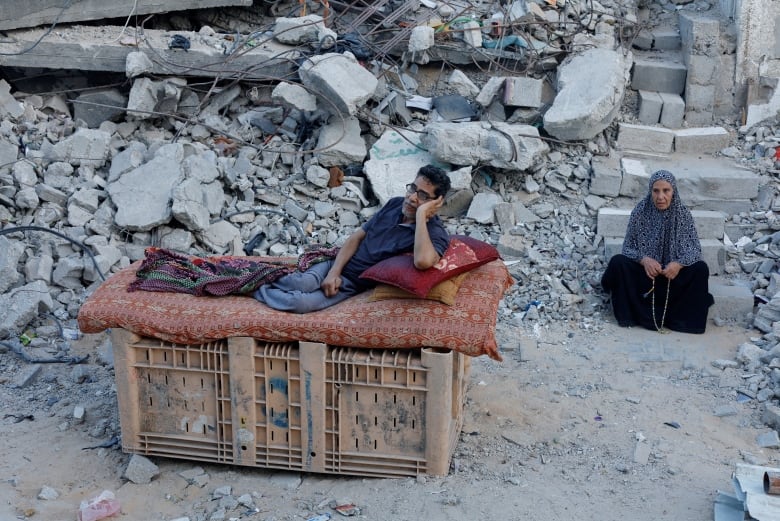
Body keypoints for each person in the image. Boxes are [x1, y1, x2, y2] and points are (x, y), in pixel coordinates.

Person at [254, 164, 452, 313]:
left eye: (423, 196)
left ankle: (258, 292)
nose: (412, 198)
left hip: (353, 283)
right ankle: (253, 283)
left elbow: (423, 261)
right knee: (301, 284)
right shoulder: (394, 204)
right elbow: (356, 238)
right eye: (412, 189)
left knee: (300, 303)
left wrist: (420, 216)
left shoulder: (434, 233)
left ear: (435, 203)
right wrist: (333, 272)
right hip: (337, 264)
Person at [601, 169, 714, 334]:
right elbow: (628, 248)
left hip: (672, 279)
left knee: (700, 269)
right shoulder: (640, 212)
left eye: (666, 190)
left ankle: (681, 321)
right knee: (618, 262)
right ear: (650, 191)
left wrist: (678, 264)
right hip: (646, 278)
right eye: (656, 191)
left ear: (673, 191)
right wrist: (644, 260)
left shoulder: (683, 215)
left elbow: (694, 250)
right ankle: (631, 315)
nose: (660, 196)